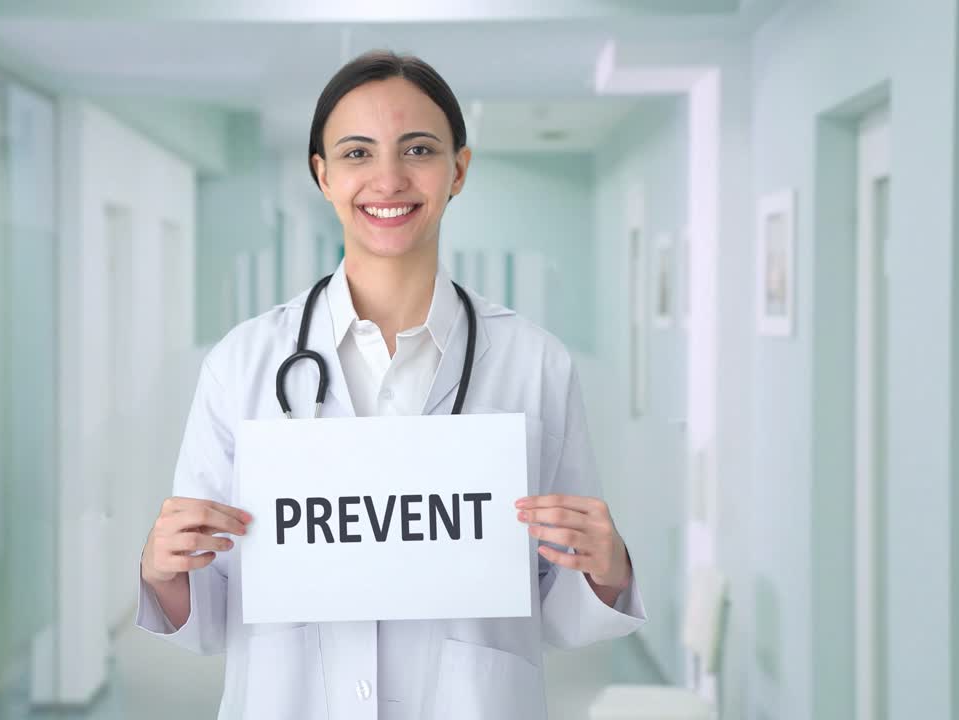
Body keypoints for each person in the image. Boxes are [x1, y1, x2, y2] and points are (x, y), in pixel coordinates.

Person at [136, 50, 645, 720]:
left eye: (419, 149)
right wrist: (163, 571)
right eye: (356, 153)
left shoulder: (534, 363)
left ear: (458, 169)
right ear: (322, 174)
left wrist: (609, 569)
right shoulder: (242, 365)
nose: (388, 178)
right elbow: (208, 611)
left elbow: (560, 608)